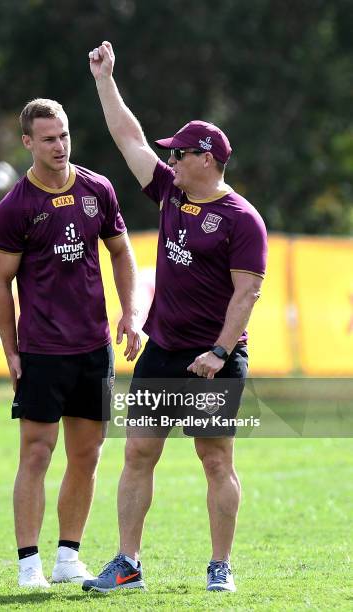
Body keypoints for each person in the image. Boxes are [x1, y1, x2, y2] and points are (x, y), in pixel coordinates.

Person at [82, 42, 268, 594]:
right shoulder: (170, 192)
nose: (171, 160)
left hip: (215, 355)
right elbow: (129, 138)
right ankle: (128, 563)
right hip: (163, 350)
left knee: (215, 460)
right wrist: (104, 80)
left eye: (180, 154)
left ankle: (220, 568)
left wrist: (218, 351)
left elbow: (247, 295)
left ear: (206, 158)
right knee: (138, 451)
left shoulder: (242, 221)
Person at [0, 98, 141, 588]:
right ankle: (29, 563)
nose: (60, 146)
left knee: (88, 453)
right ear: (28, 142)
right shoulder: (14, 209)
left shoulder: (98, 189)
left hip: (92, 348)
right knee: (36, 452)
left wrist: (130, 312)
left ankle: (68, 556)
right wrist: (11, 351)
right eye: (49, 138)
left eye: (65, 135)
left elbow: (121, 252)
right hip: (41, 349)